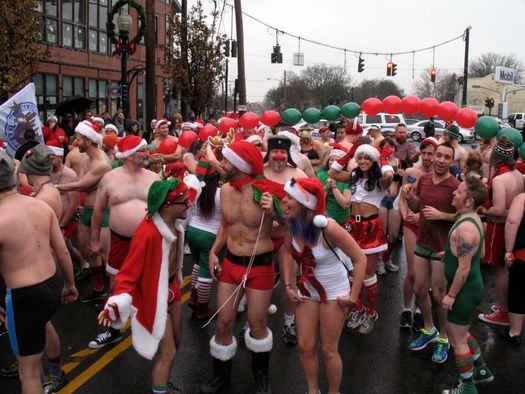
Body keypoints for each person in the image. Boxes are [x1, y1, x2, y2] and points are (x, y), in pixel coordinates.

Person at [98, 178, 195, 394]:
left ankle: (163, 382)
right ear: (168, 205)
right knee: (168, 352)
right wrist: (117, 301)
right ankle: (159, 388)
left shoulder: (175, 222)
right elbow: (128, 272)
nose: (189, 205)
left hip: (173, 289)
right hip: (155, 294)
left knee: (176, 340)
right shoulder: (147, 233)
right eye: (185, 202)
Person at [200, 141, 278, 394]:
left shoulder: (265, 191)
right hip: (231, 264)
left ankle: (262, 376)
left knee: (257, 323)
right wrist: (213, 251)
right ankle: (220, 377)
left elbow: (292, 222)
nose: (221, 164)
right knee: (223, 323)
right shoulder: (224, 191)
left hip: (260, 265)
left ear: (242, 165)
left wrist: (276, 211)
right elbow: (225, 226)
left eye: (226, 160)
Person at [0, 150, 78, 394]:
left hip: (24, 296)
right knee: (44, 325)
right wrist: (70, 284)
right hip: (51, 283)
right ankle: (56, 372)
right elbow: (63, 251)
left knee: (29, 372)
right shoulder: (39, 204)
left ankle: (48, 378)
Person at [281, 177, 366, 394]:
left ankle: (334, 392)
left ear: (304, 203)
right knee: (305, 346)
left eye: (290, 197)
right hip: (306, 291)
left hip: (335, 293)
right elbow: (287, 253)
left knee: (328, 350)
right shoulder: (292, 224)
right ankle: (312, 390)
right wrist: (288, 285)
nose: (283, 200)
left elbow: (360, 259)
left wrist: (353, 298)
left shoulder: (328, 228)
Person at [88, 136, 160, 349]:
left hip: (148, 241)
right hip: (120, 241)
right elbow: (98, 211)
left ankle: (150, 327)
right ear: (128, 155)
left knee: (149, 284)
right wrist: (93, 240)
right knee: (115, 284)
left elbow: (165, 212)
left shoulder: (155, 177)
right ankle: (112, 330)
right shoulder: (109, 178)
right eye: (142, 150)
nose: (147, 154)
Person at [403, 142, 460, 363]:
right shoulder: (424, 180)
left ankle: (444, 338)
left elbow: (466, 215)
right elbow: (418, 208)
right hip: (422, 242)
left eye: (447, 157)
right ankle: (429, 329)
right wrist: (410, 198)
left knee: (438, 294)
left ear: (451, 162)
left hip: (442, 247)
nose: (440, 160)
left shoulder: (455, 185)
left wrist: (442, 216)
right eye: (438, 155)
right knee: (419, 288)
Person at [329, 143, 394, 334]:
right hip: (352, 226)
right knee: (352, 270)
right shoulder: (354, 177)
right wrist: (350, 152)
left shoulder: (380, 180)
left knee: (367, 274)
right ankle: (357, 308)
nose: (363, 161)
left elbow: (389, 176)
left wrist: (381, 156)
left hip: (371, 227)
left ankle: (371, 312)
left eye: (368, 157)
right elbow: (333, 173)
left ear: (374, 160)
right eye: (360, 157)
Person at [441, 176, 494, 394]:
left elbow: (464, 269)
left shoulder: (466, 229)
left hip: (464, 291)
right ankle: (481, 370)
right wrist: (452, 253)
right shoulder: (472, 218)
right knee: (463, 333)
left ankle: (468, 387)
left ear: (470, 201)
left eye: (460, 191)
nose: (454, 193)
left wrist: (451, 295)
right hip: (470, 287)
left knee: (457, 339)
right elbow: (478, 253)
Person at [57, 120, 112, 302]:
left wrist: (55, 187)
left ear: (88, 140)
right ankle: (98, 288)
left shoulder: (102, 163)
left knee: (105, 254)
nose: (75, 141)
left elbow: (81, 185)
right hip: (87, 210)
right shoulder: (86, 159)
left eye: (79, 138)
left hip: (102, 213)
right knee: (88, 251)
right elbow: (82, 184)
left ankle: (112, 295)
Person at [264, 135, 307, 346]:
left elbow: (307, 204)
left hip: (287, 239)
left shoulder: (297, 174)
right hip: (262, 237)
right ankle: (256, 320)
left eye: (282, 153)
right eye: (274, 152)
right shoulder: (259, 172)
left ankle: (289, 323)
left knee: (290, 283)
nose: (279, 156)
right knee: (259, 282)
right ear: (269, 154)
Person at [477, 136, 524, 326]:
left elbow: (498, 209)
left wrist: (481, 210)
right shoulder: (517, 175)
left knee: (499, 269)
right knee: (506, 269)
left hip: (499, 226)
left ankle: (504, 311)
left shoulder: (500, 180)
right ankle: (506, 307)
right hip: (515, 227)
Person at [398, 137, 437, 330]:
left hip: (430, 225)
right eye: (425, 153)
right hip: (411, 224)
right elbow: (402, 198)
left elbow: (440, 204)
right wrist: (404, 213)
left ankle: (421, 310)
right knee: (412, 272)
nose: (428, 157)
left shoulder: (440, 177)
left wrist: (420, 215)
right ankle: (406, 309)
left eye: (432, 153)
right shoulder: (411, 172)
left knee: (426, 273)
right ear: (420, 153)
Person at [187, 158, 222, 319]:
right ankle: (202, 308)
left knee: (197, 264)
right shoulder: (221, 193)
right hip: (210, 235)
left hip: (193, 231)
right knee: (206, 272)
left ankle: (194, 296)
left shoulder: (196, 190)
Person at [377, 137, 403, 275]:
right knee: (382, 232)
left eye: (392, 146)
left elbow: (401, 183)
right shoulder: (378, 162)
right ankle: (379, 262)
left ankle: (387, 260)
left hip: (394, 200)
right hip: (381, 199)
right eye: (386, 146)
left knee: (393, 234)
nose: (390, 149)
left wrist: (402, 175)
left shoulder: (398, 162)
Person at [503, 192, 525, 345]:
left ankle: (515, 332)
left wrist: (508, 251)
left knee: (518, 292)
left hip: (523, 254)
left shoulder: (522, 198)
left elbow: (512, 221)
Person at [317, 146, 352, 226]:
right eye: (331, 160)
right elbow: (318, 201)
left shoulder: (347, 177)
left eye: (337, 161)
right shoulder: (321, 176)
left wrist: (334, 187)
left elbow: (345, 204)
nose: (333, 163)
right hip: (325, 219)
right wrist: (327, 187)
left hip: (343, 220)